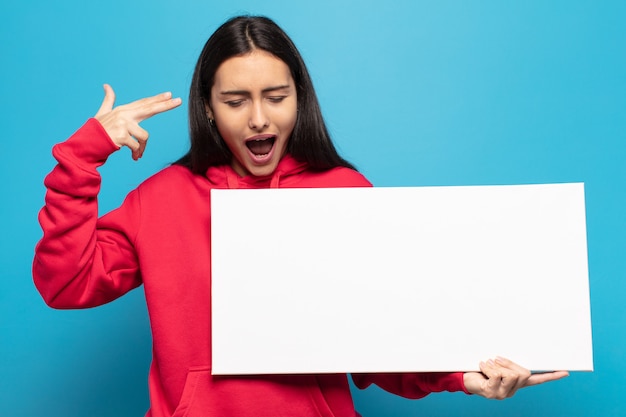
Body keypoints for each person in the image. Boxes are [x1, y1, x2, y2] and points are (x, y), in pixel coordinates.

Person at [33, 15, 568, 417]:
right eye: (236, 100)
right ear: (208, 108)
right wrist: (83, 156)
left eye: (276, 96)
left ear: (299, 98)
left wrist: (463, 375)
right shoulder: (164, 197)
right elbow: (67, 283)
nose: (259, 118)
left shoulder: (343, 191)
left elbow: (382, 340)